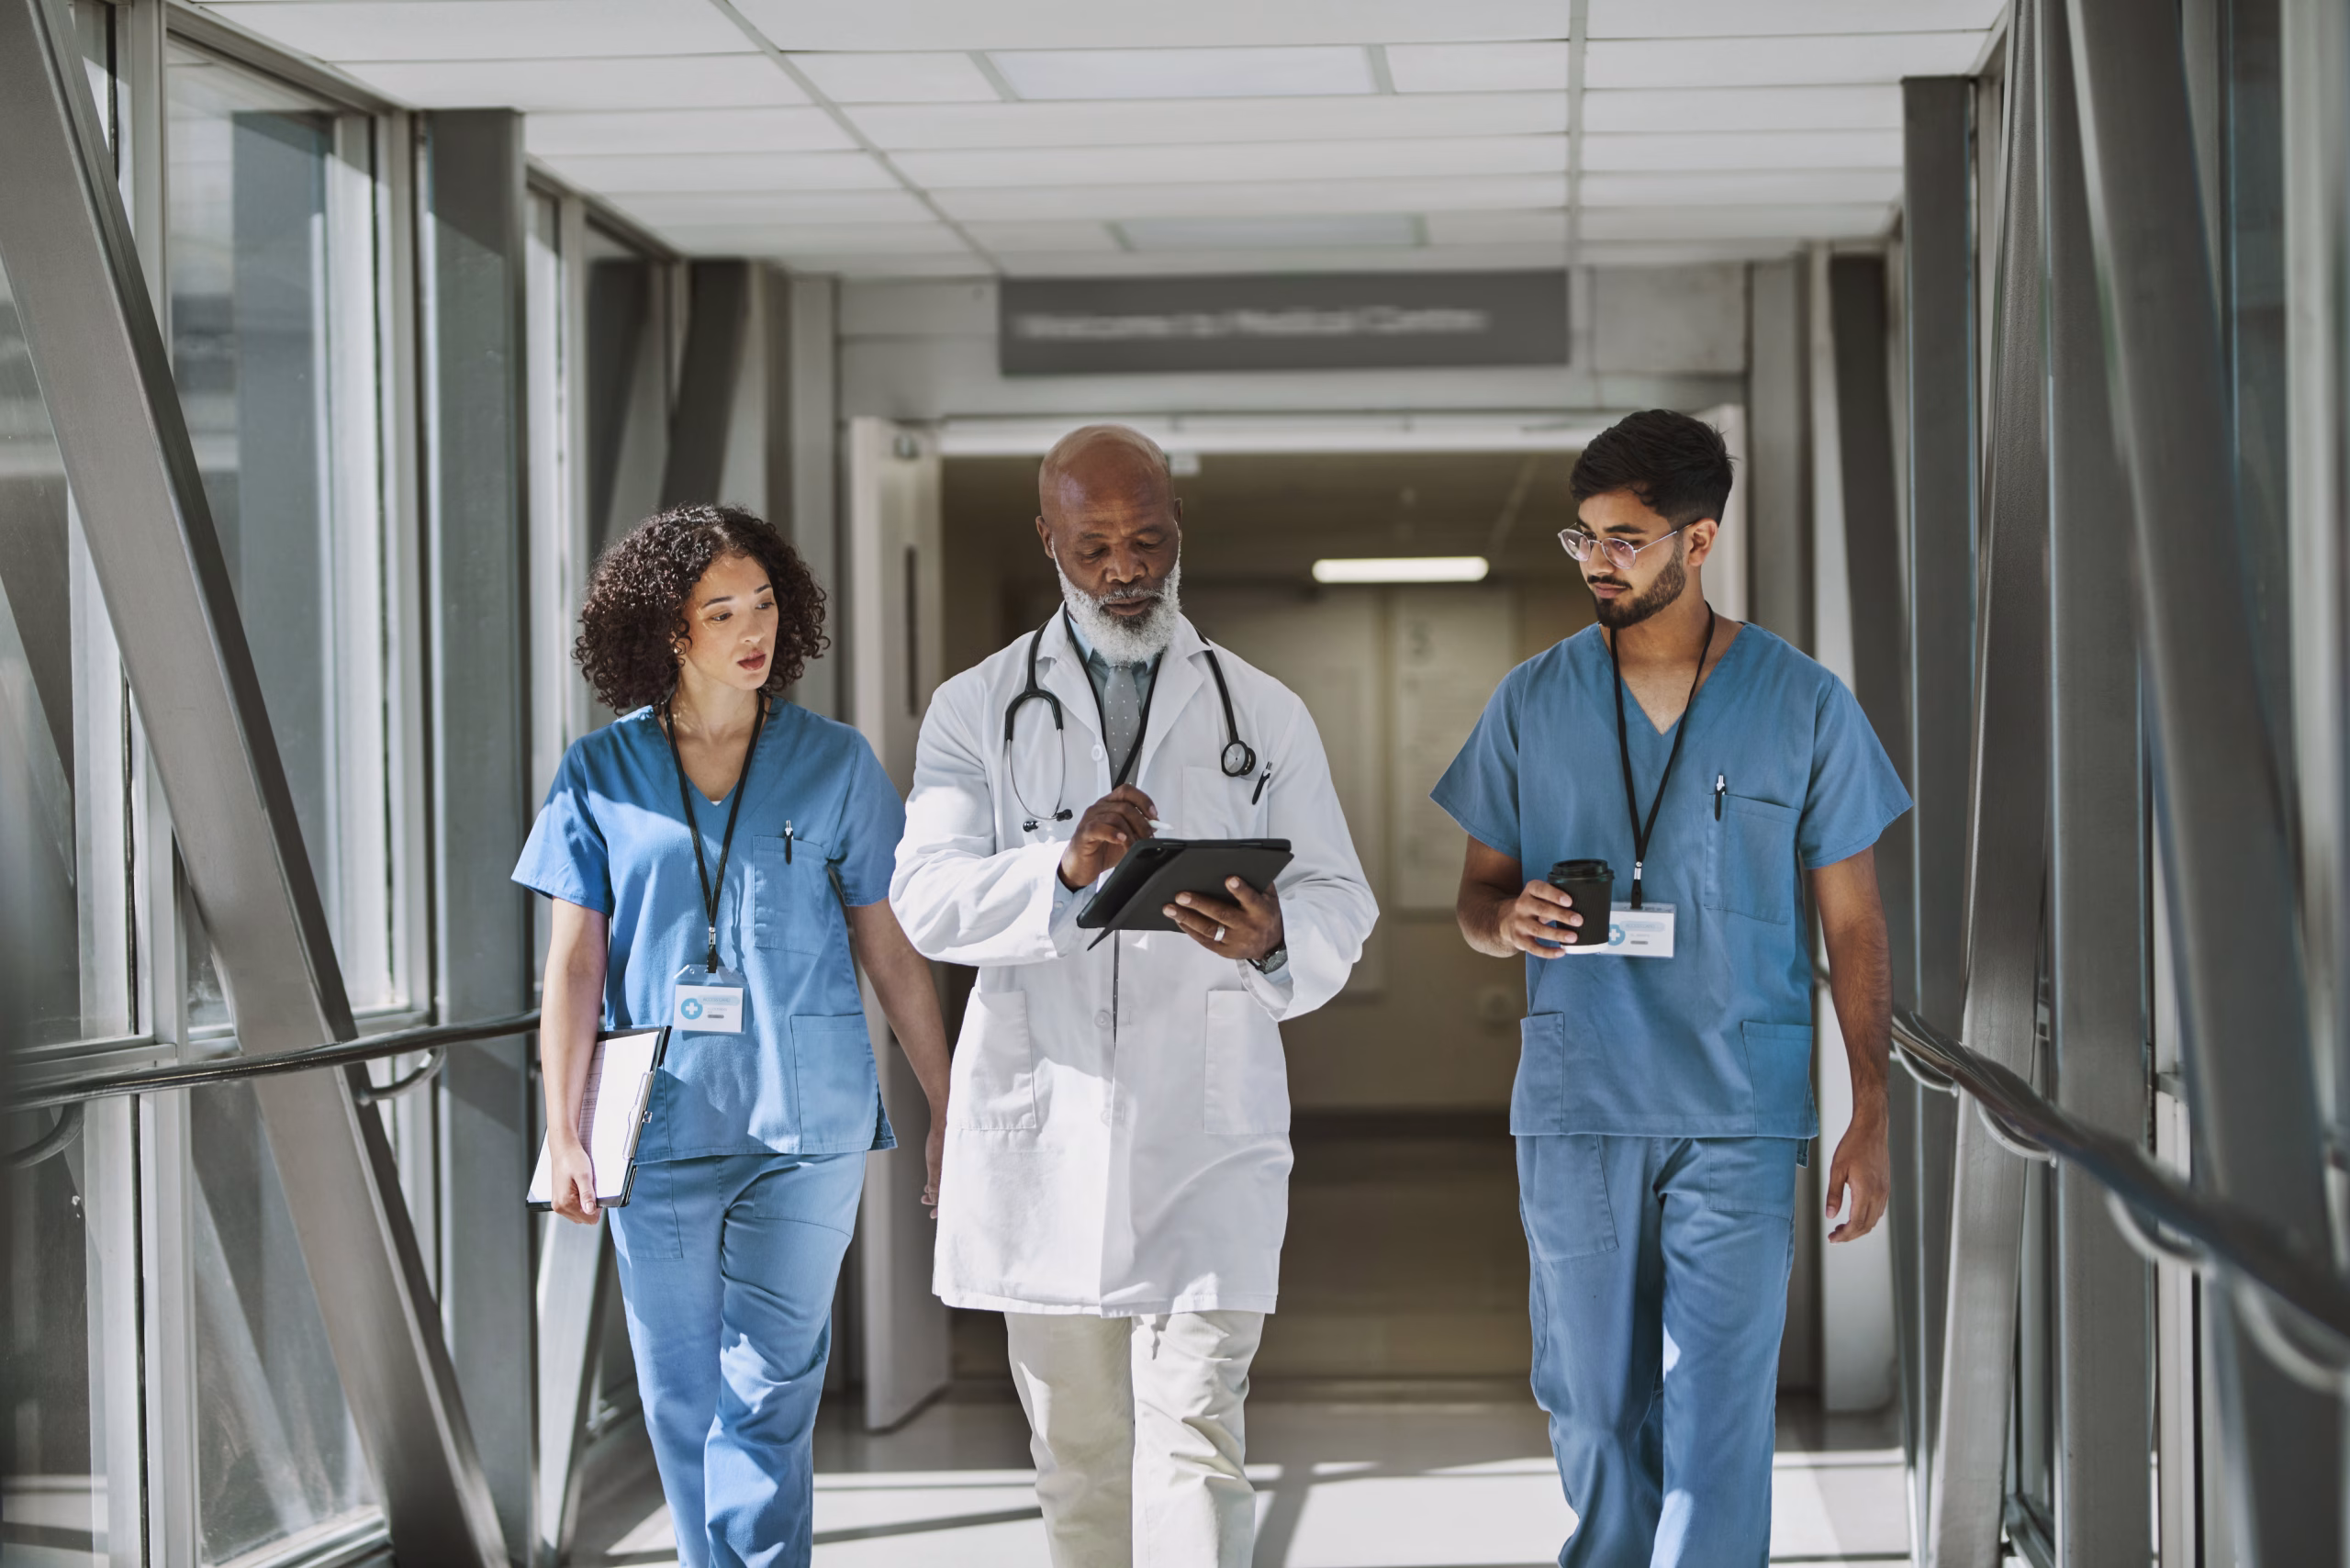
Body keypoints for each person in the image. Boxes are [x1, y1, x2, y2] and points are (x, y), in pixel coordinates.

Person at [890, 425, 1377, 1567]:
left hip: (1204, 1132)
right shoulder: (977, 708)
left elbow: (1338, 898)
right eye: (1095, 544)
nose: (1124, 568)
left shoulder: (1264, 712)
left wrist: (1273, 940)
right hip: (1043, 1127)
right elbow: (926, 899)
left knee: (1196, 1437)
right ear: (1048, 539)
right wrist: (1060, 867)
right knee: (1079, 1458)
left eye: (1146, 540)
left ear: (1177, 534)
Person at [1433, 410, 1909, 1566]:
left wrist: (1870, 1110)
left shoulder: (1800, 701)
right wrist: (1508, 920)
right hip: (1580, 1099)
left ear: (1699, 542)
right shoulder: (1531, 700)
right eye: (1584, 538)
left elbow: (1851, 922)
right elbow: (1475, 898)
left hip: (1740, 1111)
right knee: (1592, 1407)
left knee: (1716, 1418)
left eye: (1626, 539)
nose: (1598, 561)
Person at [515, 504, 951, 1568]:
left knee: (772, 1386)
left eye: (763, 604)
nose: (753, 630)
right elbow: (573, 967)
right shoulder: (599, 772)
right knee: (681, 1391)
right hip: (656, 1127)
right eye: (723, 611)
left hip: (809, 1125)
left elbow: (892, 952)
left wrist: (950, 1105)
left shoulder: (835, 763)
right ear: (670, 630)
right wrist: (563, 1134)